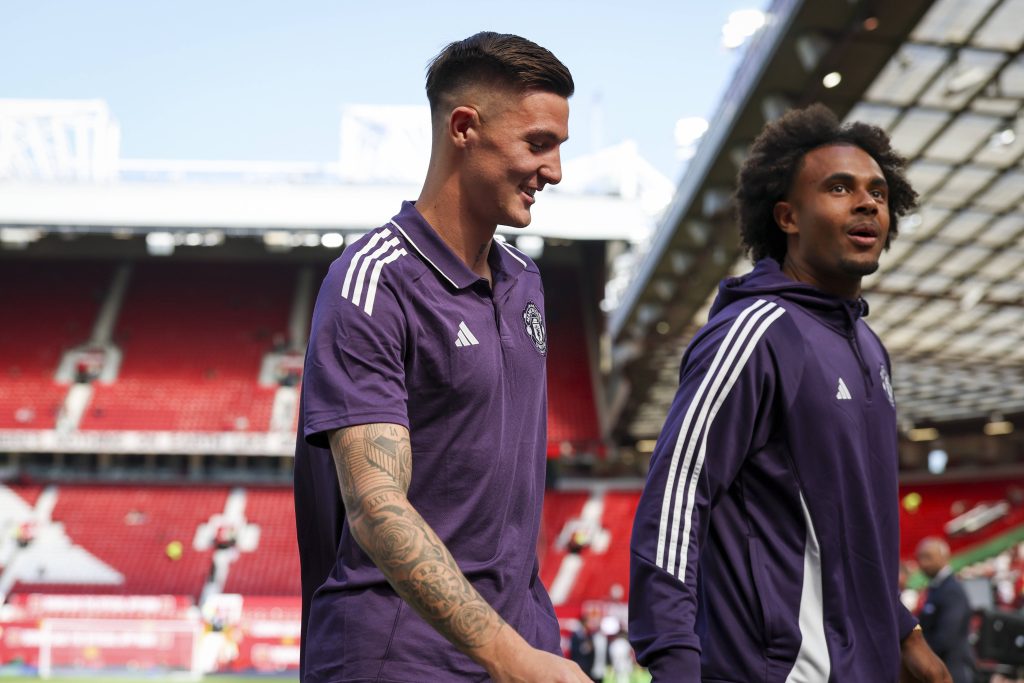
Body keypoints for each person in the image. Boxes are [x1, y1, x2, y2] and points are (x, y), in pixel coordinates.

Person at [293, 32, 588, 682]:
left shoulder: (526, 283)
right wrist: (511, 657)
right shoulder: (374, 280)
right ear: (464, 128)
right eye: (538, 143)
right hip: (399, 657)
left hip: (521, 643)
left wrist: (527, 647)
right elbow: (376, 506)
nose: (556, 171)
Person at [628, 104, 951, 681]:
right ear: (787, 217)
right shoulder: (754, 332)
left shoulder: (870, 347)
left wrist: (904, 632)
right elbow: (677, 495)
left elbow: (852, 528)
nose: (867, 203)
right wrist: (672, 656)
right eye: (839, 188)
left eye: (878, 192)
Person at [916, 537, 975, 683]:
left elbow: (946, 637)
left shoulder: (951, 590)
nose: (923, 563)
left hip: (951, 669)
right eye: (920, 558)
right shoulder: (937, 587)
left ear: (944, 558)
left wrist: (919, 655)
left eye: (928, 557)